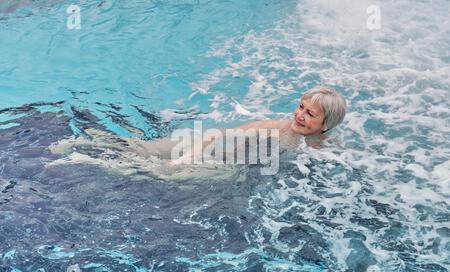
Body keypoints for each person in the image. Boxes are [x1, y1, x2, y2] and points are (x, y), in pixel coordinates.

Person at [47, 85, 346, 180]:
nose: (299, 115)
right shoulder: (276, 127)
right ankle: (78, 148)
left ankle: (82, 156)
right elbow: (217, 133)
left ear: (326, 124)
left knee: (150, 163)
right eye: (300, 107)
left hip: (227, 163)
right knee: (153, 162)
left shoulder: (317, 149)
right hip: (213, 157)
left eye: (309, 114)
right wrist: (188, 158)